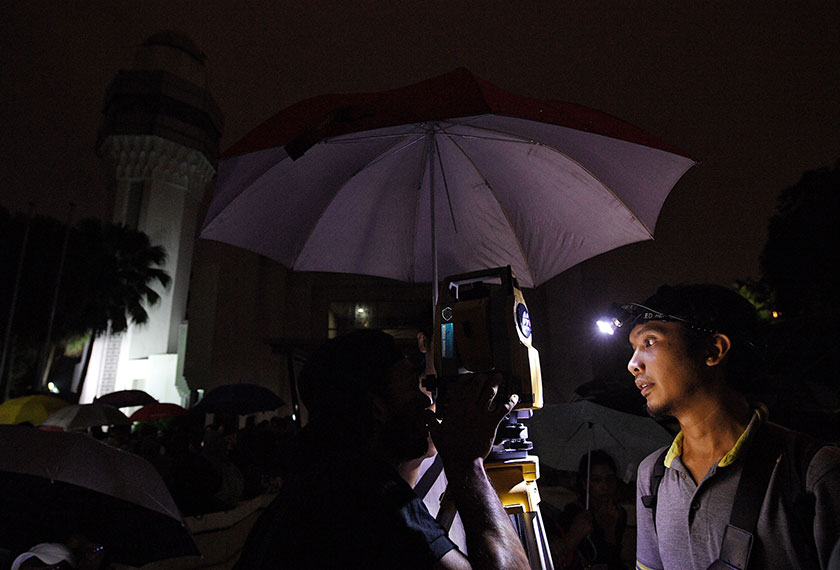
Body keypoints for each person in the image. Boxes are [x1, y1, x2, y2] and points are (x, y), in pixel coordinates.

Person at [234, 329, 530, 569]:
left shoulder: (311, 486)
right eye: (411, 389)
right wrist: (468, 465)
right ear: (377, 408)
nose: (425, 401)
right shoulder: (372, 496)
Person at [617, 283, 840, 570]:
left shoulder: (812, 470)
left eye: (649, 342)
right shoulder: (653, 476)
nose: (632, 364)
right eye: (633, 348)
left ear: (714, 349)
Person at [543, 450, 628, 570]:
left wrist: (610, 531)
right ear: (585, 483)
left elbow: (613, 561)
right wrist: (575, 535)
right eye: (596, 480)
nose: (605, 486)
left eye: (610, 479)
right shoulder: (573, 513)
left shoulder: (618, 513)